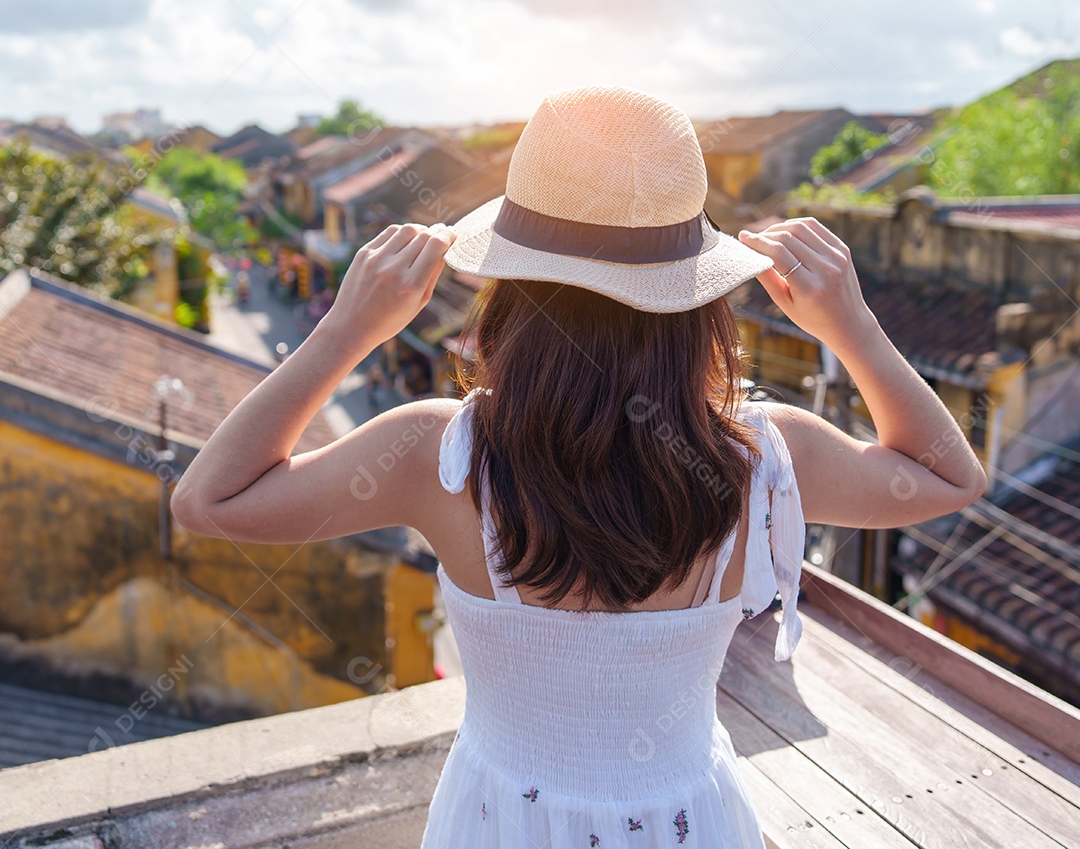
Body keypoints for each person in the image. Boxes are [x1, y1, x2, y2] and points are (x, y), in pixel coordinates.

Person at [170, 87, 987, 847]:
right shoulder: (767, 456)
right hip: (689, 821)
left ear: (511, 287)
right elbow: (950, 476)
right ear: (698, 296)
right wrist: (850, 324)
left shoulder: (438, 454)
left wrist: (348, 328)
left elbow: (210, 501)